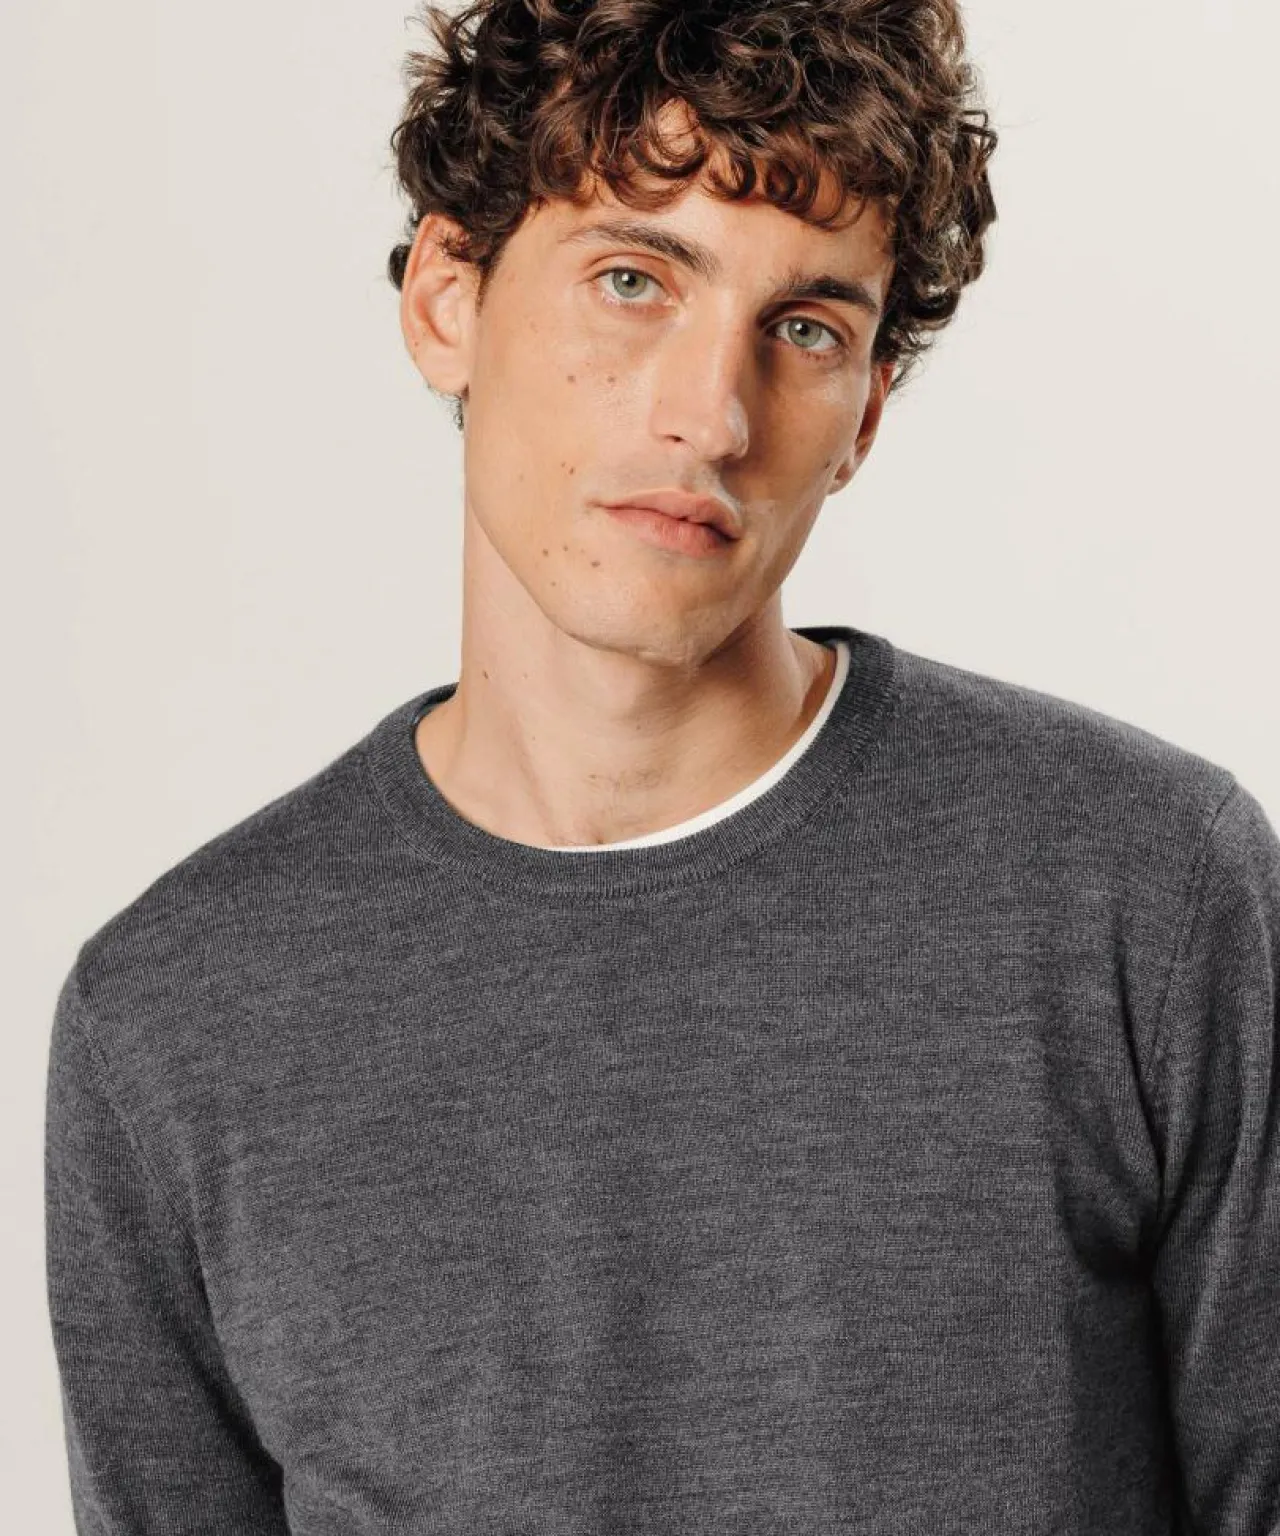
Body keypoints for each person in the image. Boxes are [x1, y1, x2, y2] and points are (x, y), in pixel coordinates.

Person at [44, 1, 1279, 1532]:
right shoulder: (173, 1021)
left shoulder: (1144, 896)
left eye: (807, 327)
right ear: (446, 297)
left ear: (866, 413)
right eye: (633, 279)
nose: (711, 414)